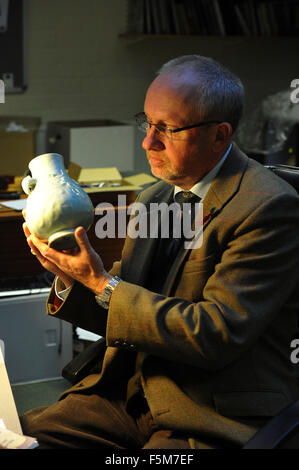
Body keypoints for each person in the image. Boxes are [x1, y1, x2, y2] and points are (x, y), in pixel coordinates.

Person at [21, 55, 299, 449]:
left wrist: (101, 282)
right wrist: (70, 277)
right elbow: (124, 301)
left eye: (167, 128)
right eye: (147, 123)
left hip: (209, 408)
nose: (148, 141)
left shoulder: (269, 208)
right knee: (20, 438)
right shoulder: (155, 197)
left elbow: (214, 333)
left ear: (220, 135)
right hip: (130, 392)